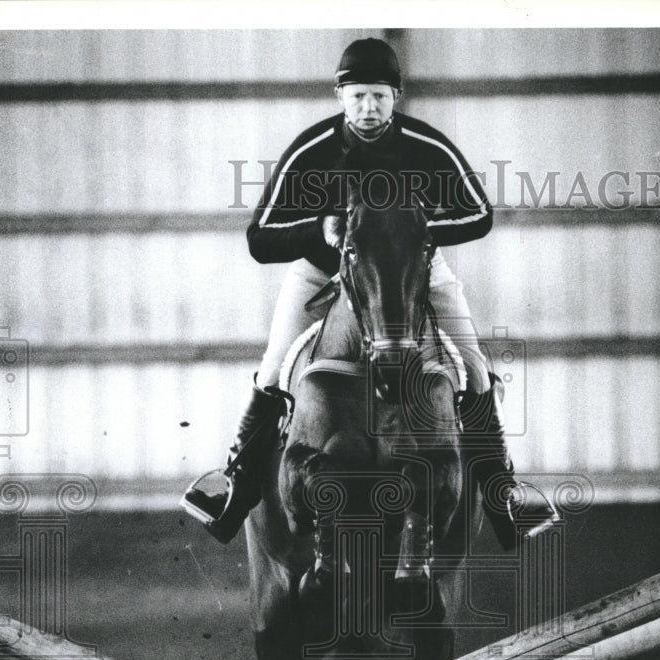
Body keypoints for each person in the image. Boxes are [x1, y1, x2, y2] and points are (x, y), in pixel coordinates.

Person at [183, 37, 558, 549]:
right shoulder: (311, 150)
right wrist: (320, 232)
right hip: (322, 273)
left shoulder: (427, 146)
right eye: (358, 96)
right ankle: (235, 484)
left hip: (411, 272)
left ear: (396, 97)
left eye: (379, 96)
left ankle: (502, 495)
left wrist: (412, 233)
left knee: (472, 364)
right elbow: (259, 239)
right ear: (340, 96)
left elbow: (479, 214)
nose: (369, 107)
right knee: (274, 366)